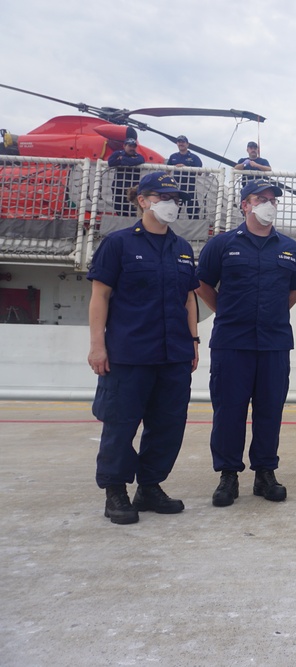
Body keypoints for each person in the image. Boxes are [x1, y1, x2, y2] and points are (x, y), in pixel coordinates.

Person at [86, 172, 199, 524]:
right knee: (121, 424)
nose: (170, 203)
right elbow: (99, 296)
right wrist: (97, 346)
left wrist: (193, 340)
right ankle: (115, 491)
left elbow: (189, 298)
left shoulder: (182, 248)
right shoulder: (118, 244)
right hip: (129, 353)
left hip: (173, 354)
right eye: (162, 196)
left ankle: (149, 486)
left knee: (168, 424)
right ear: (143, 200)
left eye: (174, 198)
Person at [195, 180, 296, 507]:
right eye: (261, 198)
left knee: (269, 410)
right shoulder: (222, 244)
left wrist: (270, 314)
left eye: (273, 199)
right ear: (245, 205)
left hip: (274, 343)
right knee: (229, 410)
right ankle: (228, 475)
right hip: (232, 342)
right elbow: (202, 283)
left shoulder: (289, 248)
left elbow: (294, 290)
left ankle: (265, 473)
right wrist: (227, 310)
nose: (268, 204)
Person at [166, 135, 203, 219]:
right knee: (173, 212)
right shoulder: (173, 156)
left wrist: (186, 167)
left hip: (190, 188)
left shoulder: (194, 157)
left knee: (193, 212)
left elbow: (200, 172)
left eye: (183, 142)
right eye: (179, 142)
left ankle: (195, 230)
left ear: (187, 144)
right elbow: (167, 171)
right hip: (176, 188)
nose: (181, 144)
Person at [107, 138, 145, 215]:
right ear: (124, 146)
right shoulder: (117, 153)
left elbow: (139, 161)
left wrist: (122, 160)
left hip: (132, 189)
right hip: (118, 187)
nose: (132, 148)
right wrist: (129, 161)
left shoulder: (139, 156)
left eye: (134, 146)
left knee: (133, 208)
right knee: (117, 206)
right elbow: (111, 162)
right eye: (130, 146)